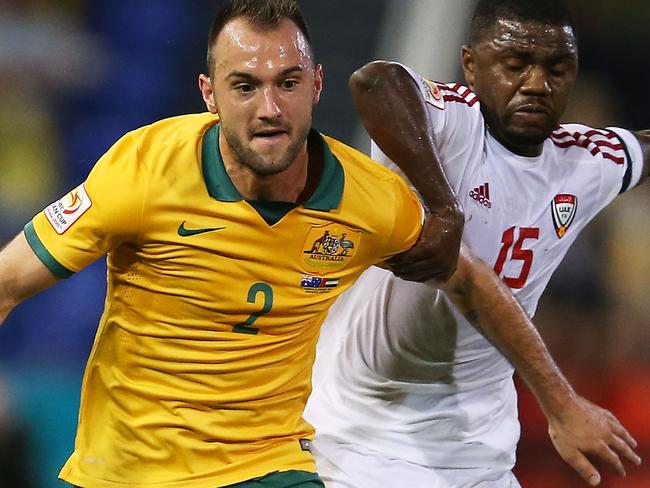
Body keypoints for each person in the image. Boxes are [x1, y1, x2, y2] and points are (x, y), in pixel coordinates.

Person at [0, 1, 468, 487]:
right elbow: (8, 280)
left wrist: (552, 398)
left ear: (317, 85)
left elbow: (465, 274)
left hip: (267, 466)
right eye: (245, 86)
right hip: (126, 471)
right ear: (210, 95)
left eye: (288, 82)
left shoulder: (374, 202)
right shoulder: (143, 169)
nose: (270, 109)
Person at [304, 0, 648, 487]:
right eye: (515, 64)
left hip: (479, 455)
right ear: (470, 64)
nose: (536, 84)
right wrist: (442, 207)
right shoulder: (452, 124)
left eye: (557, 69)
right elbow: (375, 81)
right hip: (364, 441)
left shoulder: (585, 160)